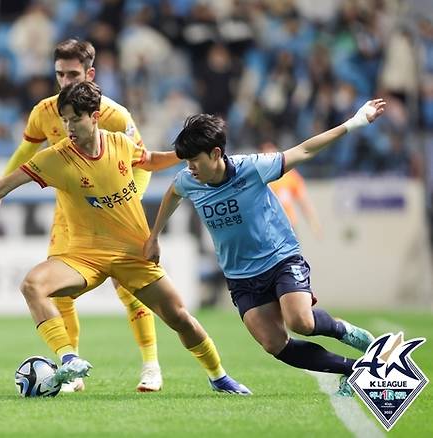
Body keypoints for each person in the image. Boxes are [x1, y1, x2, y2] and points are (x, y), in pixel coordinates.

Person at [0, 82, 251, 395]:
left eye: (75, 119)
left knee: (181, 319)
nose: (68, 127)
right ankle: (68, 358)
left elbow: (149, 160)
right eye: (64, 120)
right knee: (33, 285)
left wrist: (187, 154)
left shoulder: (120, 143)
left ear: (94, 117)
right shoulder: (56, 159)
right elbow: (4, 184)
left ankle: (219, 377)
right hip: (84, 257)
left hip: (132, 254)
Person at [144, 99, 387, 396]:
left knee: (301, 322)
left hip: (280, 258)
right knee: (274, 344)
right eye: (186, 162)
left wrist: (355, 122)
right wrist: (154, 236)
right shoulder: (189, 180)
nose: (190, 168)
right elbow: (172, 194)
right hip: (240, 276)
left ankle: (346, 331)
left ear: (216, 153)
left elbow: (305, 150)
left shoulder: (254, 167)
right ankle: (354, 369)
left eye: (195, 160)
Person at [0, 39, 162, 392]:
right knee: (58, 291)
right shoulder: (45, 111)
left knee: (129, 287)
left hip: (118, 215)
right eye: (59, 74)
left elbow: (144, 163)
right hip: (70, 216)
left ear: (90, 74)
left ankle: (151, 365)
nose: (65, 81)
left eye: (73, 74)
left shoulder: (116, 116)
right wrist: (0, 190)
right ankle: (72, 370)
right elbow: (26, 150)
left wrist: (128, 201)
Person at [259, 141, 322, 238]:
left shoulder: (289, 175)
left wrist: (313, 222)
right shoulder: (258, 177)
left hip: (288, 224)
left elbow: (302, 200)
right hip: (268, 227)